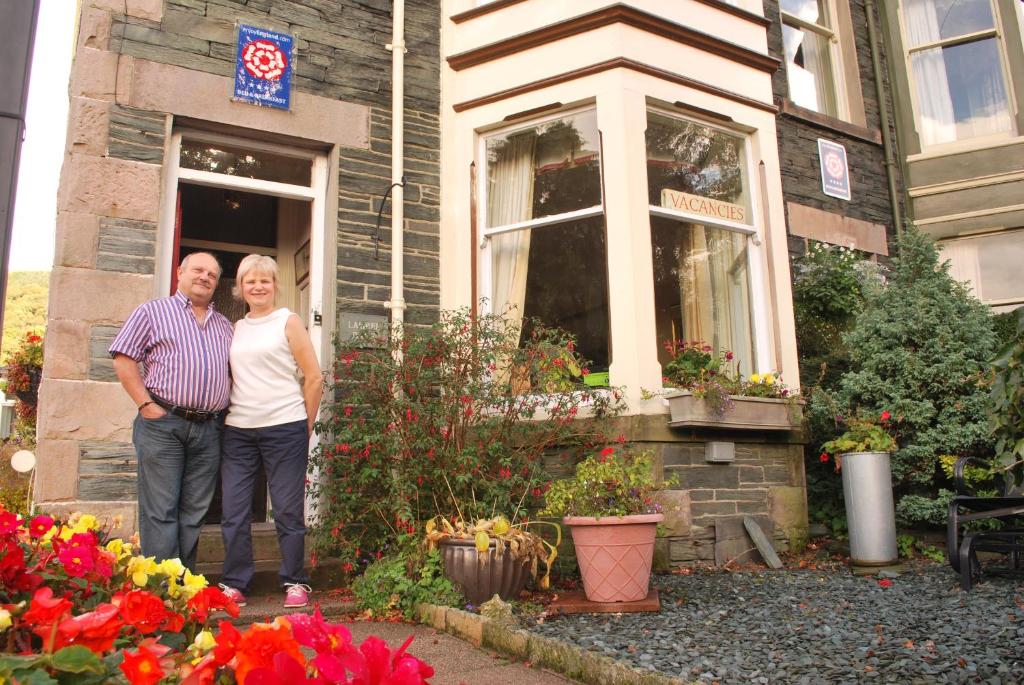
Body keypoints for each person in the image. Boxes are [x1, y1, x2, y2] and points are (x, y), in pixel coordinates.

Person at [109, 252, 233, 570]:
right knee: (161, 508)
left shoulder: (225, 326)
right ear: (180, 271)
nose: (205, 277)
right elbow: (124, 358)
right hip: (163, 423)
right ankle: (163, 589)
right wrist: (145, 404)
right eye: (198, 270)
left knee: (194, 511)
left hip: (208, 428)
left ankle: (184, 581)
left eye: (212, 274)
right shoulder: (152, 312)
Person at [217, 254, 322, 609]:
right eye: (251, 281)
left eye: (265, 280)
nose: (258, 286)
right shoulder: (236, 328)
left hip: (285, 426)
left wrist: (304, 426)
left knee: (288, 509)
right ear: (240, 288)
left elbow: (314, 378)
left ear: (275, 285)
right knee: (233, 510)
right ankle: (235, 583)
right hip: (239, 430)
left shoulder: (288, 321)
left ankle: (295, 581)